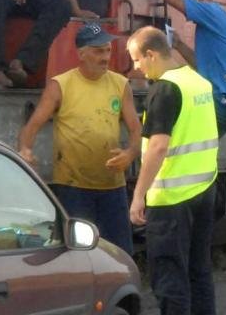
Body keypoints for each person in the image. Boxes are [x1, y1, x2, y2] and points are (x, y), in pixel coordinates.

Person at [18, 22, 140, 256]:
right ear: (81, 54)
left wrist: (130, 153)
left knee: (119, 254)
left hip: (112, 188)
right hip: (73, 188)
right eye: (98, 51)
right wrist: (25, 149)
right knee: (78, 254)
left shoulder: (120, 84)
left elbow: (136, 129)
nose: (105, 57)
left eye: (107, 50)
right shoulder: (60, 85)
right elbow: (32, 126)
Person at [127, 26, 219, 315]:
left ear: (151, 55)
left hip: (171, 200)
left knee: (170, 279)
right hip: (204, 190)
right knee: (199, 271)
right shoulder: (198, 81)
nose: (136, 67)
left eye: (137, 59)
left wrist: (138, 195)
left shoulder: (165, 89)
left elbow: (158, 147)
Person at [128, 0, 226, 136]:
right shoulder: (213, 26)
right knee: (200, 144)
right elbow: (204, 67)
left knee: (170, 118)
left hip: (222, 100)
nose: (188, 15)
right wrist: (180, 45)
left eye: (191, 7)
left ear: (199, 0)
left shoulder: (212, 11)